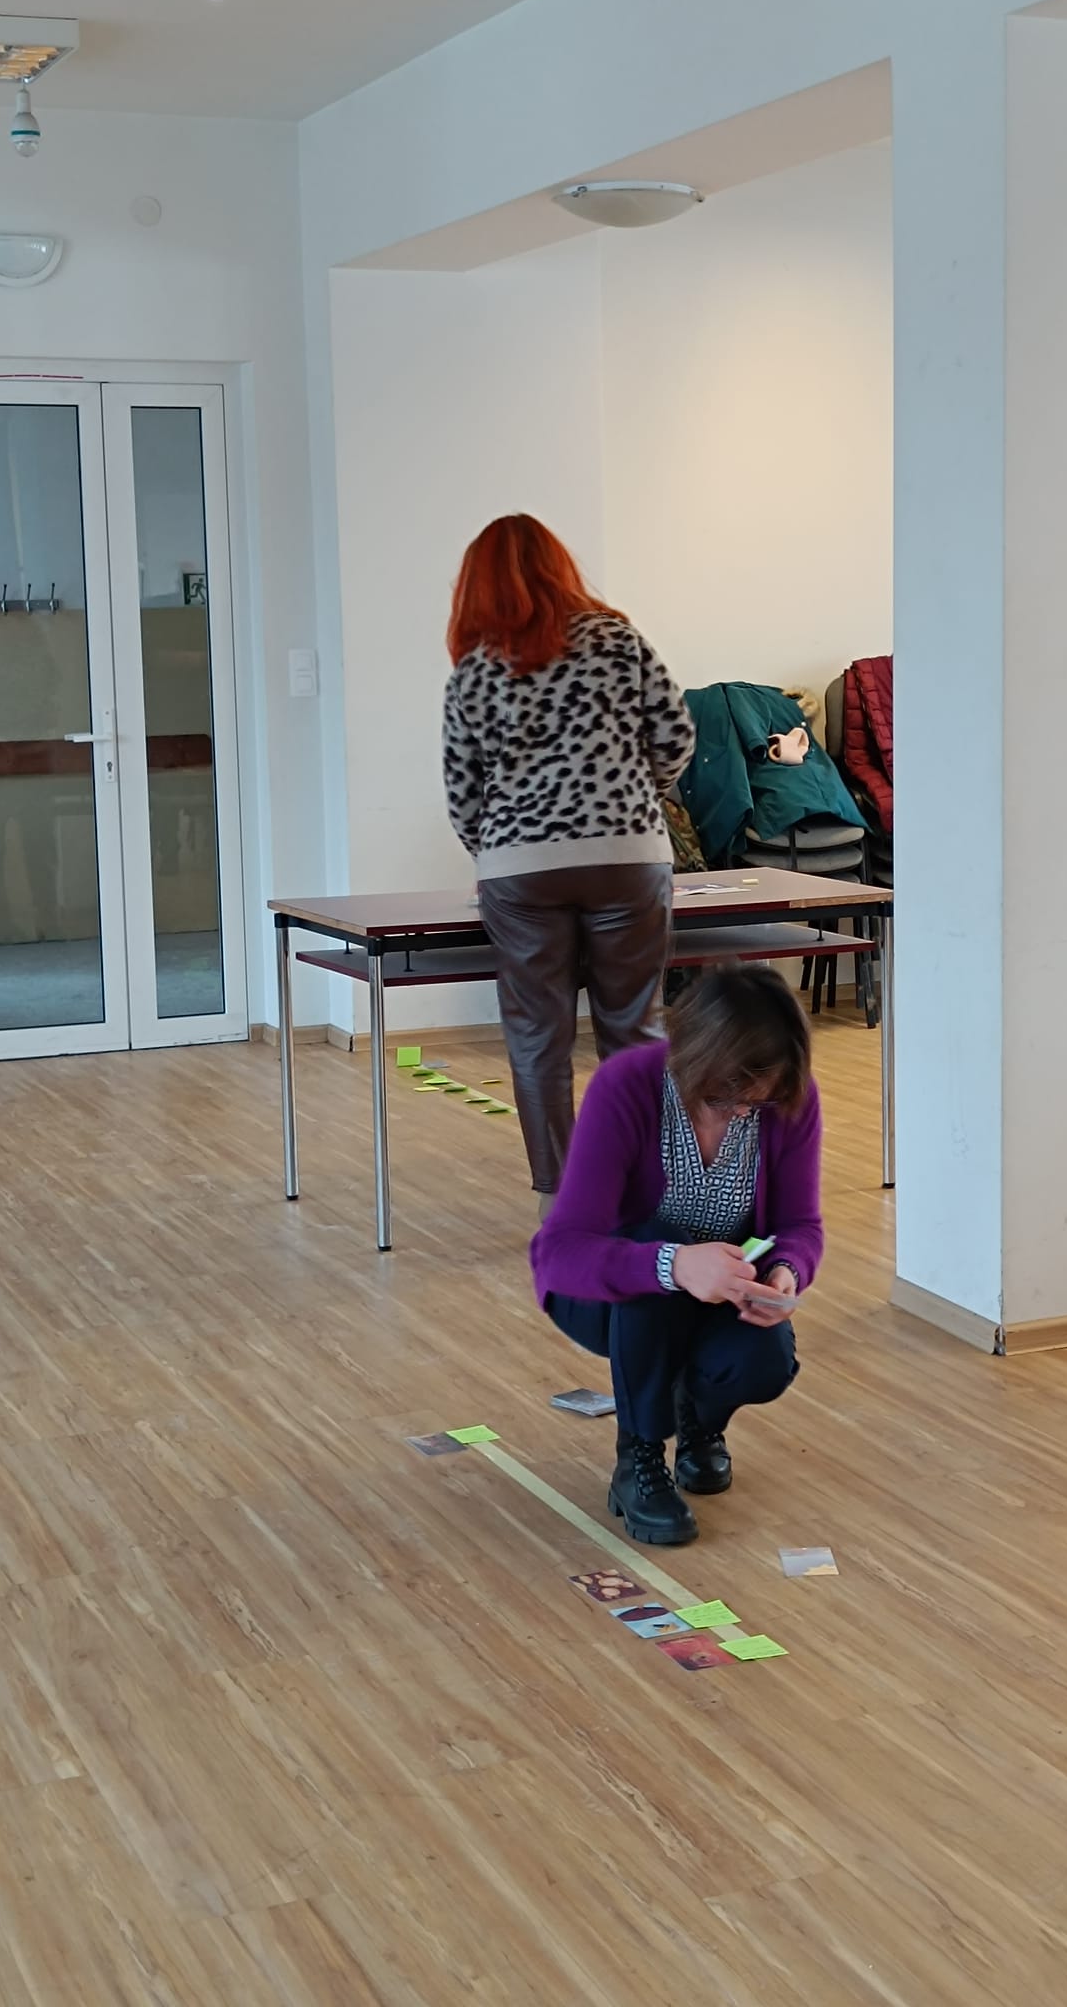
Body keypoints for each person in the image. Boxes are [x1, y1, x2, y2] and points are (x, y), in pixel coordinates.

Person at [443, 515, 696, 1201]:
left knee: (538, 1037)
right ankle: (644, 1186)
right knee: (635, 1026)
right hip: (627, 854)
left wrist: (498, 848)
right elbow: (676, 736)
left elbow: (462, 793)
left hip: (520, 867)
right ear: (560, 566)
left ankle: (562, 1195)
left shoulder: (474, 669)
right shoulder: (618, 640)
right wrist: (633, 804)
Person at [530, 965, 823, 1546]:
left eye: (759, 1102)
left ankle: (698, 1420)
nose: (745, 1113)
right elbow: (560, 1251)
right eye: (729, 1097)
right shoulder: (626, 1085)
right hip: (610, 1298)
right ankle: (638, 1457)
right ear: (696, 1060)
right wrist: (672, 1265)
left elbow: (801, 1226)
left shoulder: (788, 1101)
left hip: (719, 1294)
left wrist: (786, 1270)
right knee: (655, 1254)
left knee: (766, 1360)